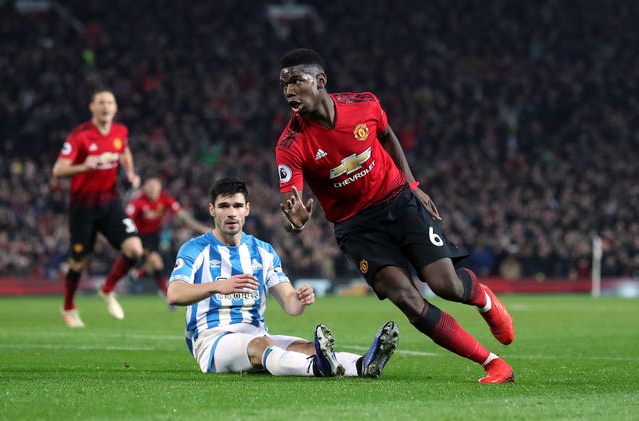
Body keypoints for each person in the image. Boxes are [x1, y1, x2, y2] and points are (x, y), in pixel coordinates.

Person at [275, 48, 515, 384]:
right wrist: (295, 222)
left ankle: (484, 301)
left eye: (296, 82)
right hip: (356, 228)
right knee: (408, 300)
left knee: (445, 285)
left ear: (320, 81)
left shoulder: (364, 105)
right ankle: (493, 363)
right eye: (284, 85)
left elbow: (387, 136)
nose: (289, 91)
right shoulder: (291, 144)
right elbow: (292, 202)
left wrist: (412, 184)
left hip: (397, 202)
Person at [167, 176, 398, 377]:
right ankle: (317, 369)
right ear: (211, 210)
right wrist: (218, 287)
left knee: (308, 348)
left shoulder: (263, 251)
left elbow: (291, 306)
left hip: (257, 334)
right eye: (223, 206)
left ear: (247, 208)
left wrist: (300, 298)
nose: (231, 213)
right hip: (212, 339)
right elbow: (174, 294)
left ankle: (362, 365)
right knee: (263, 346)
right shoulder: (195, 249)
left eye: (237, 205)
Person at [52, 88, 144, 327]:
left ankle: (107, 289)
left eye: (110, 102)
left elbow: (123, 150)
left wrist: (131, 173)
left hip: (109, 203)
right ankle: (69, 306)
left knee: (135, 250)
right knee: (79, 261)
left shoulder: (120, 131)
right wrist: (84, 166)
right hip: (83, 208)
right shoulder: (80, 136)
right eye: (101, 102)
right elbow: (58, 170)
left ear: (115, 108)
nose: (105, 106)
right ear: (92, 107)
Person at [124, 175, 209, 302]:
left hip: (155, 236)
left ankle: (138, 275)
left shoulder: (165, 199)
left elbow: (183, 216)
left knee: (157, 267)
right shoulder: (137, 202)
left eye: (156, 187)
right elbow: (126, 220)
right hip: (139, 237)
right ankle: (165, 293)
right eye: (151, 186)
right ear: (144, 188)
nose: (154, 190)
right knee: (156, 262)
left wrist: (202, 229)